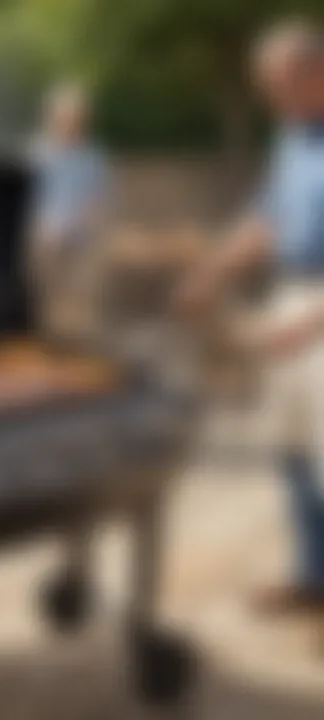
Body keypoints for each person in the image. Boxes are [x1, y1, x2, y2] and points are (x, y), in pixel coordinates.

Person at [176, 20, 324, 614]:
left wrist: (308, 322)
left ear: (318, 71)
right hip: (290, 294)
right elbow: (267, 219)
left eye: (283, 83)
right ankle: (313, 577)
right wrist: (210, 271)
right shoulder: (292, 134)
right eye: (267, 86)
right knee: (290, 448)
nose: (273, 98)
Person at [29, 83, 113, 340]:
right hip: (42, 242)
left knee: (82, 312)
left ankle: (81, 349)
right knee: (41, 309)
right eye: (64, 116)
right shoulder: (34, 154)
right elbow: (26, 201)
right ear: (51, 117)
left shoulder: (94, 158)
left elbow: (100, 202)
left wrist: (72, 226)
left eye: (76, 117)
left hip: (83, 243)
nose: (69, 123)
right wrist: (44, 229)